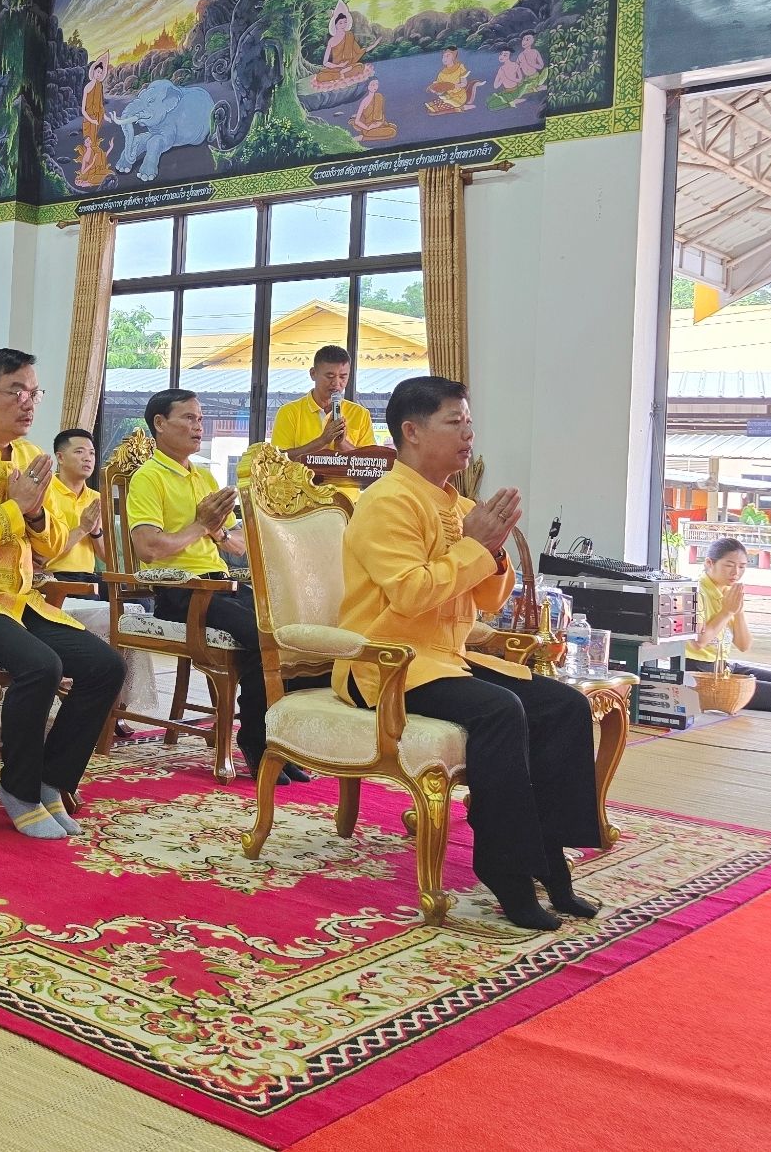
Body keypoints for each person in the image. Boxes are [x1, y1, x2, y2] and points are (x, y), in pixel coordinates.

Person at [338, 375, 599, 930]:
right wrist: (476, 545)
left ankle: (551, 861)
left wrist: (493, 553)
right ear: (411, 431)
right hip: (386, 664)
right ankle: (507, 870)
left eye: (470, 423)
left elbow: (486, 599)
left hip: (445, 658)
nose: (468, 435)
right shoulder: (384, 502)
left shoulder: (458, 504)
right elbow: (410, 594)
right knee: (500, 711)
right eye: (454, 422)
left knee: (565, 706)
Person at [0, 349, 125, 839]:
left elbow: (52, 546)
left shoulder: (30, 456)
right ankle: (18, 790)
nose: (28, 402)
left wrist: (34, 514)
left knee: (106, 667)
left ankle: (52, 780)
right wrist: (15, 509)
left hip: (21, 600)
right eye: (16, 391)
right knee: (41, 666)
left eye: (34, 392)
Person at [129, 389, 300, 783]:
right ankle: (255, 741)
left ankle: (279, 742)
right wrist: (201, 526)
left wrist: (218, 532)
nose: (198, 427)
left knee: (290, 631)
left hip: (221, 586)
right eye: (189, 418)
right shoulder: (148, 477)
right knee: (262, 637)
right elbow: (149, 548)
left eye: (201, 419)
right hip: (181, 593)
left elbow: (238, 544)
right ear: (160, 423)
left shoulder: (204, 476)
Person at [687, 539, 771, 712]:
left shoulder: (728, 591)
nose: (736, 572)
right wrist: (727, 611)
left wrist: (738, 611)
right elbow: (699, 642)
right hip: (699, 670)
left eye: (742, 566)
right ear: (709, 563)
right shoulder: (694, 592)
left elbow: (744, 645)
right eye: (729, 565)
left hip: (722, 666)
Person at [269, 345, 377, 504]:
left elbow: (371, 466)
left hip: (347, 505)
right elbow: (278, 461)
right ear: (313, 373)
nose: (337, 384)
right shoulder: (289, 412)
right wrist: (322, 441)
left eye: (343, 377)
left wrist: (343, 443)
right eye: (330, 376)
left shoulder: (360, 414)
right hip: (301, 505)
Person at [40, 428, 103, 581]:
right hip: (54, 575)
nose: (88, 458)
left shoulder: (96, 498)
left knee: (132, 594)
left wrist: (95, 532)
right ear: (60, 458)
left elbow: (106, 557)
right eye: (79, 452)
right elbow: (41, 555)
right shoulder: (44, 492)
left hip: (89, 576)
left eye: (92, 453)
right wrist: (83, 528)